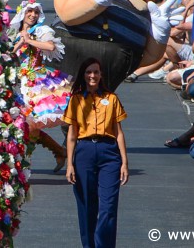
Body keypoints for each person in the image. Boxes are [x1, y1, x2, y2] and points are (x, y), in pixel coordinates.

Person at [64, 58, 128, 248]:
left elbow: (119, 133)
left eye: (96, 72)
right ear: (83, 75)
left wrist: (124, 162)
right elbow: (72, 135)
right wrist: (69, 164)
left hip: (109, 152)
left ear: (101, 75)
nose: (92, 76)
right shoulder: (75, 99)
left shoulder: (112, 98)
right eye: (88, 72)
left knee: (108, 207)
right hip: (84, 152)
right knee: (86, 206)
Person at [11, 0, 70, 172]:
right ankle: (59, 151)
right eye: (30, 11)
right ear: (23, 13)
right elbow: (9, 55)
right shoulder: (14, 33)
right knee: (20, 123)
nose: (32, 15)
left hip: (34, 82)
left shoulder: (41, 30)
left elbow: (51, 46)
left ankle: (25, 161)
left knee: (31, 123)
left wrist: (29, 41)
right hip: (15, 82)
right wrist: (20, 43)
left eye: (36, 12)